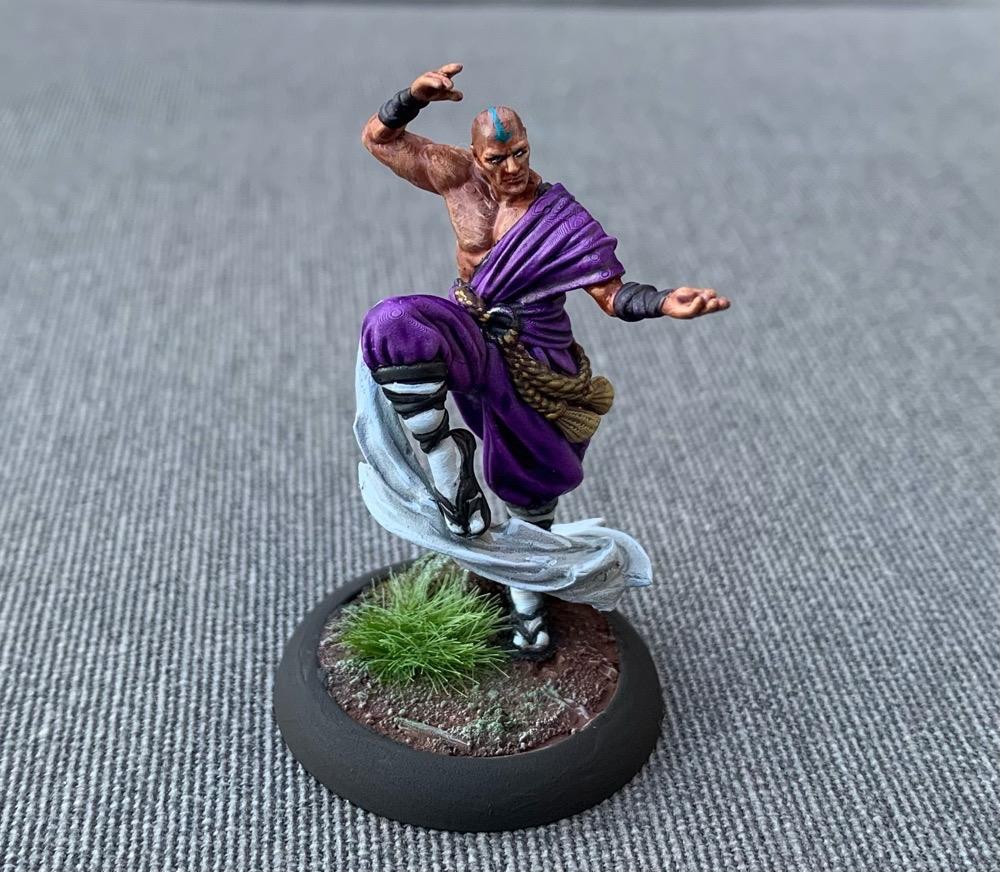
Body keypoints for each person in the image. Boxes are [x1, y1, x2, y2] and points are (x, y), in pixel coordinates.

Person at [360, 63, 730, 656]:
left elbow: (611, 293)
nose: (511, 168)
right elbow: (379, 139)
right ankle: (447, 464)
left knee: (529, 487)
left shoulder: (560, 219)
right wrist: (412, 97)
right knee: (394, 322)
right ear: (476, 156)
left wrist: (663, 302)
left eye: (520, 154)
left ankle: (528, 606)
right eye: (496, 159)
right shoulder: (455, 176)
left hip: (533, 353)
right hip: (473, 327)